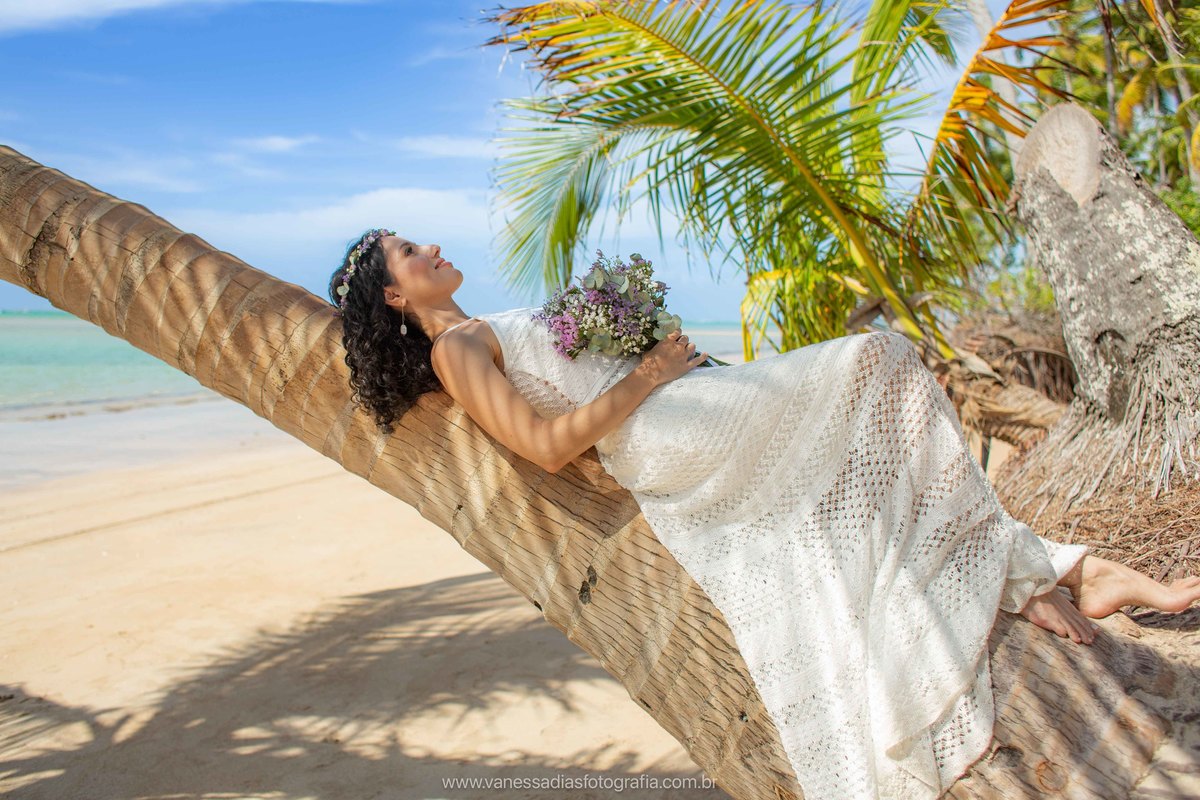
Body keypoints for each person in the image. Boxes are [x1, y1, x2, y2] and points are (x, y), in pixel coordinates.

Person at [329, 228, 1200, 799]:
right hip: (660, 433)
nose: (432, 247)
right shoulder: (455, 347)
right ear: (394, 296)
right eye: (409, 251)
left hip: (682, 404)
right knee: (880, 363)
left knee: (883, 383)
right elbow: (546, 445)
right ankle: (1043, 572)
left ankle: (1046, 569)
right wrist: (648, 375)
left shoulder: (484, 324)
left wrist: (649, 349)